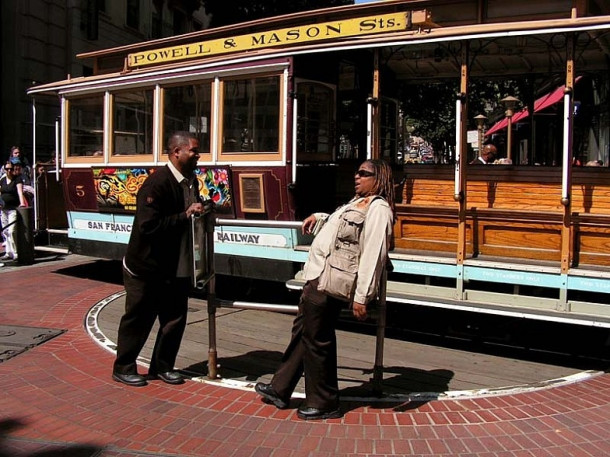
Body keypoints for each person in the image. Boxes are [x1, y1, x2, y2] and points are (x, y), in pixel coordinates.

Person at [255, 159, 395, 420]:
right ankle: (280, 388)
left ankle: (324, 401)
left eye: (364, 173)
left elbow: (373, 255)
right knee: (303, 332)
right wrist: (319, 218)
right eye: (357, 171)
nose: (357, 176)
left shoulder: (379, 209)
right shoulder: (355, 203)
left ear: (380, 179)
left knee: (317, 339)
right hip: (318, 275)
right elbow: (338, 230)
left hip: (331, 282)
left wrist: (361, 297)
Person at [112, 131, 204, 387]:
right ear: (177, 152)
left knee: (174, 317)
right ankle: (123, 367)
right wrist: (184, 216)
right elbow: (148, 226)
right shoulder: (156, 184)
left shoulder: (190, 181)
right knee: (139, 318)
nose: (198, 156)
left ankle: (162, 366)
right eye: (194, 151)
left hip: (174, 265)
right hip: (146, 266)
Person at [1, 159, 28, 262]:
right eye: (7, 168)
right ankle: (9, 252)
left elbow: (20, 192)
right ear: (4, 169)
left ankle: (16, 252)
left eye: (10, 168)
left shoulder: (17, 179)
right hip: (3, 209)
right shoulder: (2, 180)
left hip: (13, 209)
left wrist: (21, 203)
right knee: (5, 232)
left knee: (12, 231)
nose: (9, 170)